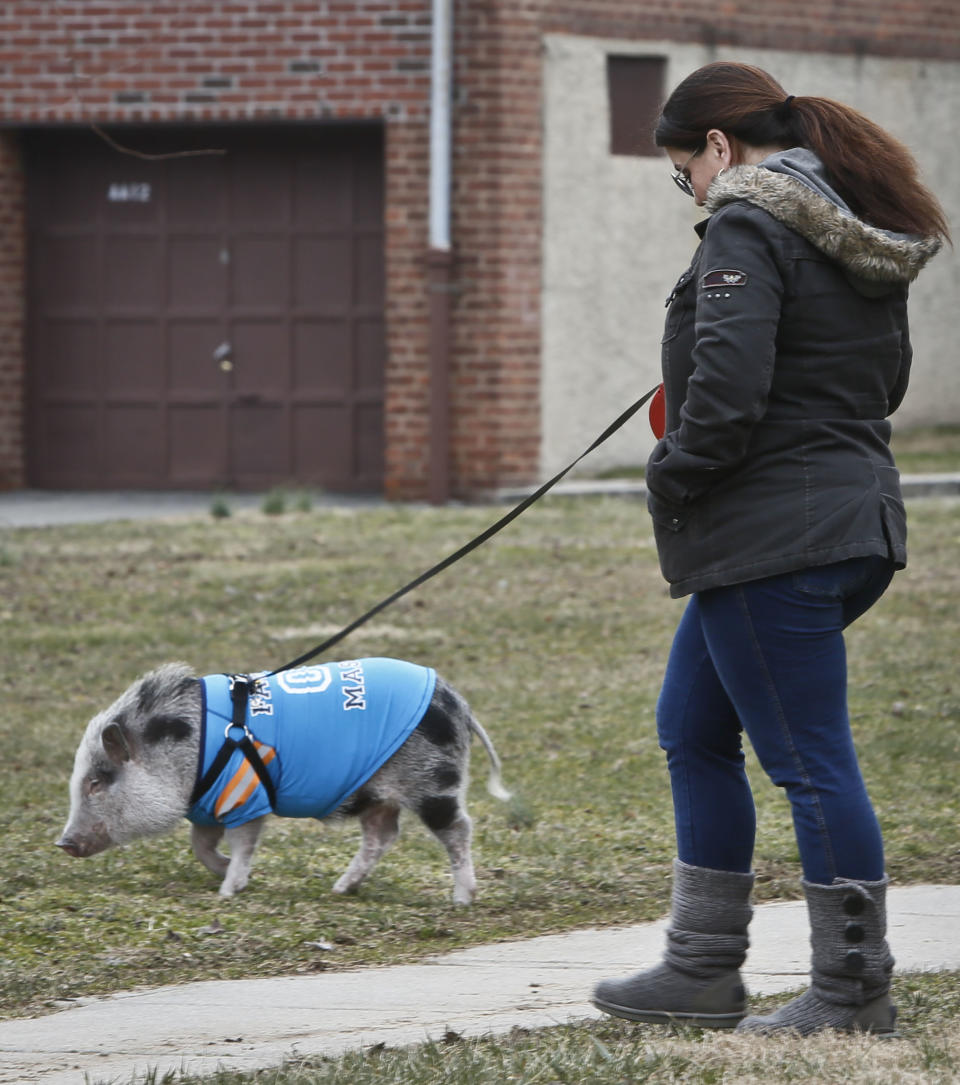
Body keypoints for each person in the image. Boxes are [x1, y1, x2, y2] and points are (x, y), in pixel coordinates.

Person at [592, 62, 948, 1035]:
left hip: (775, 534)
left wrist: (671, 474)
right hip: (848, 518)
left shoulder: (750, 223)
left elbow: (731, 391)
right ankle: (702, 967)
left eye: (683, 174)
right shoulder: (850, 225)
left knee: (809, 757)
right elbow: (884, 382)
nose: (691, 194)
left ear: (718, 147)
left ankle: (850, 991)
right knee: (694, 728)